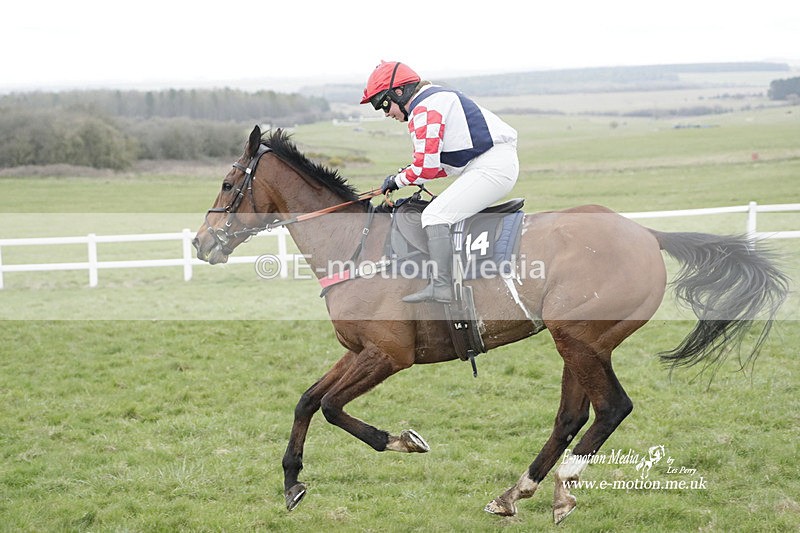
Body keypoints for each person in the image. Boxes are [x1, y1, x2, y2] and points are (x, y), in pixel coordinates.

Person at [360, 60, 519, 303]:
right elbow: (439, 167)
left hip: (492, 166)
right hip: (488, 163)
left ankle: (442, 287)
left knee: (435, 216)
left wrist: (397, 180)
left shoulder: (424, 109)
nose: (386, 113)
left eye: (384, 103)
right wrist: (404, 177)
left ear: (399, 92)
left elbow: (426, 167)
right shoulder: (432, 100)